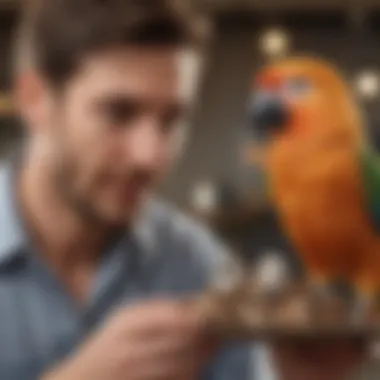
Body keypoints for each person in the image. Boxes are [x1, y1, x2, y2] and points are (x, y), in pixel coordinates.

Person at [0, 0, 366, 379]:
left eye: (172, 120)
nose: (152, 156)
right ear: (35, 100)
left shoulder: (200, 266)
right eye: (118, 112)